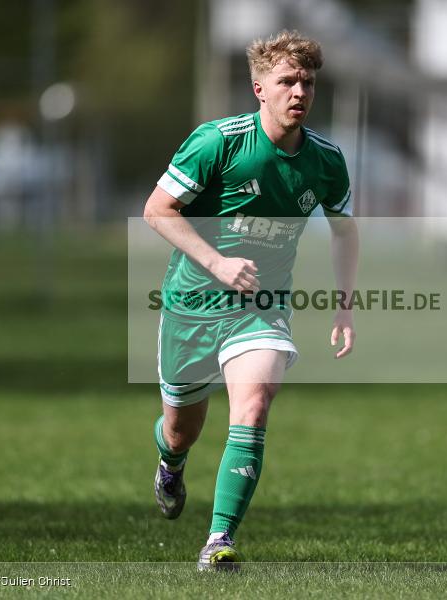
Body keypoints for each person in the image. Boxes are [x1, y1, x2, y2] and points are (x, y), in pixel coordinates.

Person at [142, 30, 358, 570]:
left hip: (261, 307)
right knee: (181, 428)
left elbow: (345, 232)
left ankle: (218, 541)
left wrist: (345, 306)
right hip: (191, 306)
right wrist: (215, 263)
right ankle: (170, 464)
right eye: (286, 81)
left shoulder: (327, 161)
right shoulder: (217, 142)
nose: (298, 91)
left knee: (255, 402)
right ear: (259, 87)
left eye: (307, 81)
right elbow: (157, 210)